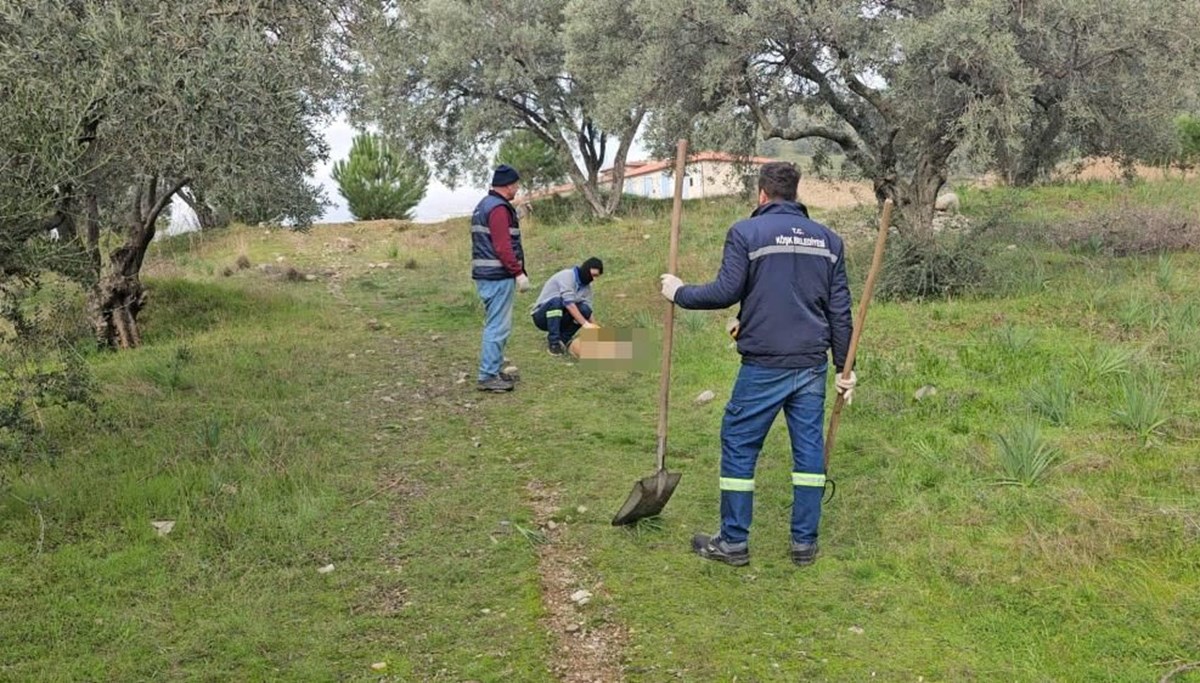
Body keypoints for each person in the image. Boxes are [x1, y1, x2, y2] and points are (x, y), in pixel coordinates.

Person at [658, 162, 858, 568]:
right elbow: (840, 311)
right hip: (811, 366)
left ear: (762, 194)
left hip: (764, 365)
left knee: (739, 444)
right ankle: (805, 544)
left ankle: (733, 542)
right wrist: (844, 368)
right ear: (796, 194)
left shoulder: (746, 233)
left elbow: (726, 290)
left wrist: (679, 292)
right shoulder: (829, 241)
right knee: (808, 454)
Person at [471, 164, 531, 393]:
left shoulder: (485, 205)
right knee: (498, 326)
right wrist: (518, 273)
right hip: (498, 276)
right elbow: (502, 245)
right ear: (508, 185)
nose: (517, 189)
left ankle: (493, 370)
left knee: (497, 324)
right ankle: (487, 376)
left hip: (487, 275)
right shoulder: (498, 209)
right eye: (516, 184)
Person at [531, 257, 604, 355]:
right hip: (542, 316)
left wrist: (596, 330)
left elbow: (588, 311)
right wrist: (585, 324)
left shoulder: (587, 289)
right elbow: (569, 304)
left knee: (585, 310)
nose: (593, 279)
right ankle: (554, 343)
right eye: (593, 275)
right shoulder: (567, 276)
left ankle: (563, 340)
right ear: (586, 270)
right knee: (557, 301)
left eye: (596, 277)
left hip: (561, 316)